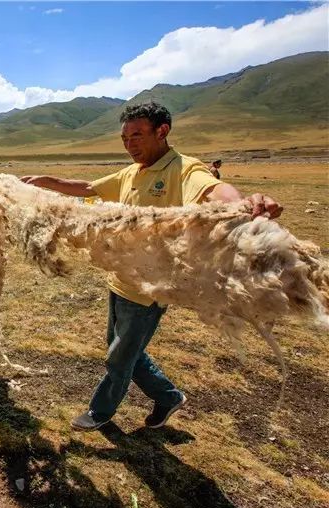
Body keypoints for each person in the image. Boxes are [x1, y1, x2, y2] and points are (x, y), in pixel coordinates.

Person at [20, 102, 282, 431]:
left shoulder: (184, 169)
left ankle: (100, 412)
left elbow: (212, 190)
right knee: (126, 351)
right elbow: (89, 188)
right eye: (125, 137)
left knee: (119, 357)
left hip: (149, 290)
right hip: (121, 281)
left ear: (162, 131)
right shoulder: (132, 172)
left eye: (138, 135)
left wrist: (244, 204)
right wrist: (46, 181)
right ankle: (169, 397)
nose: (130, 144)